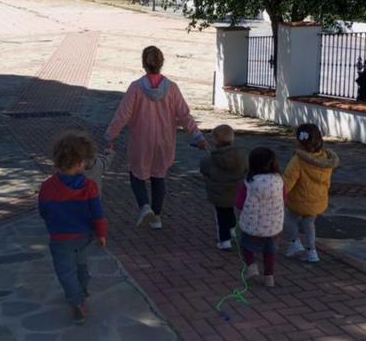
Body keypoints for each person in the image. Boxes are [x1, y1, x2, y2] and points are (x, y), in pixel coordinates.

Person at [105, 46, 207, 230]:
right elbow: (184, 114)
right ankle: (157, 217)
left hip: (140, 141)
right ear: (161, 63)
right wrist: (197, 135)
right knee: (159, 176)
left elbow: (123, 114)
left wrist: (111, 135)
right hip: (165, 141)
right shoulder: (172, 88)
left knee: (137, 173)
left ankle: (144, 205)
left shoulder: (136, 88)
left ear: (143, 64)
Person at [38, 131, 108, 325]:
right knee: (81, 266)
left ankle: (76, 300)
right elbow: (97, 213)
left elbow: (43, 210)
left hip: (60, 238)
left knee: (65, 271)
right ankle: (82, 289)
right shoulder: (89, 186)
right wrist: (101, 234)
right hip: (83, 236)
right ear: (79, 162)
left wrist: (53, 222)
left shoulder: (47, 187)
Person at [282, 123, 339, 263]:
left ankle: (294, 243)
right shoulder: (325, 158)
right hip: (318, 201)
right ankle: (312, 252)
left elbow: (288, 181)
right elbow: (327, 181)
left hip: (298, 201)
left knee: (289, 218)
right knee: (309, 224)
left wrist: (279, 194)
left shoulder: (298, 160)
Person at [235, 147, 284, 287]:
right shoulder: (279, 181)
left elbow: (239, 203)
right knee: (270, 252)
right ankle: (269, 278)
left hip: (252, 224)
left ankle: (251, 267)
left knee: (246, 245)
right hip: (273, 226)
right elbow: (284, 199)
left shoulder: (248, 182)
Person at [200, 124, 248, 250]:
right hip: (236, 190)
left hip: (219, 192)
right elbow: (246, 169)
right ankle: (232, 229)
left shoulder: (212, 158)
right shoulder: (241, 156)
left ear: (215, 140)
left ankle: (224, 241)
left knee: (221, 215)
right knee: (230, 210)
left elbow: (204, 169)